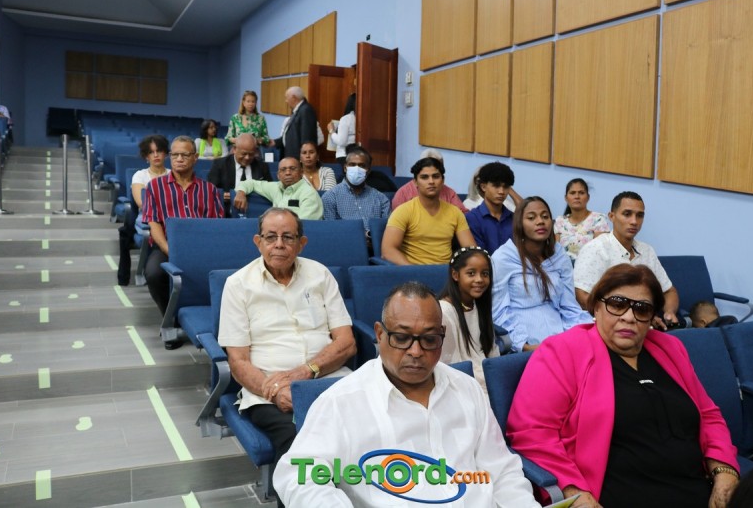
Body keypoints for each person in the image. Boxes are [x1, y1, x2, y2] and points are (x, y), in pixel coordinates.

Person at [273, 282, 541, 508]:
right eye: (401, 338)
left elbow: (503, 472)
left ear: (442, 336)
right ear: (380, 334)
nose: (416, 351)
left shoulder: (467, 389)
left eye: (429, 339)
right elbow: (298, 477)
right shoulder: (342, 402)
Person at [507, 263, 740, 508]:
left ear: (652, 317)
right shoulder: (562, 352)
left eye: (642, 309)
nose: (629, 317)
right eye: (617, 304)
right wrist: (577, 495)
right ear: (597, 306)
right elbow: (532, 434)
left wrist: (724, 470)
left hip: (699, 492)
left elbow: (708, 414)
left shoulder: (671, 348)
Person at [219, 208, 356, 508]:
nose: (279, 244)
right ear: (258, 242)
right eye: (271, 237)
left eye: (288, 237)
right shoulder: (238, 285)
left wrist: (307, 372)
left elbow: (346, 343)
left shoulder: (320, 275)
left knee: (367, 427)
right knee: (299, 442)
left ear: (301, 243)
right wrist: (275, 390)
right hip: (268, 390)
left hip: (329, 380)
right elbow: (238, 361)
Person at [140, 136, 225, 346]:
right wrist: (169, 250)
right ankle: (170, 321)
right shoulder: (155, 187)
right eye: (175, 154)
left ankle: (211, 320)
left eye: (185, 155)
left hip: (201, 248)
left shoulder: (209, 190)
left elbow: (216, 225)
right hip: (167, 246)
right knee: (153, 273)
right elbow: (153, 223)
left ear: (195, 157)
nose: (179, 159)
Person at [492, 197, 592, 352]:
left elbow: (569, 305)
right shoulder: (503, 258)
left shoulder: (559, 254)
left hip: (559, 335)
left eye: (545, 216)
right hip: (523, 341)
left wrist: (582, 333)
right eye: (531, 218)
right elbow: (499, 312)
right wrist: (524, 346)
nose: (540, 222)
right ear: (519, 224)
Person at [574, 191, 680, 330]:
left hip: (645, 325)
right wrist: (636, 314)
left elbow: (669, 291)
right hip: (608, 326)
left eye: (639, 215)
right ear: (612, 216)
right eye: (627, 214)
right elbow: (582, 296)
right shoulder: (595, 249)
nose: (634, 221)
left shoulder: (647, 251)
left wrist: (669, 312)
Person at [382, 156, 475, 265]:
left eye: (436, 176)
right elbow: (388, 251)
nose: (431, 181)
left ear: (443, 181)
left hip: (446, 272)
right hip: (414, 271)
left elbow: (471, 250)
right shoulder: (403, 211)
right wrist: (413, 270)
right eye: (424, 177)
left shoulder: (455, 212)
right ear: (415, 182)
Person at [439, 247, 499, 392]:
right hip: (461, 381)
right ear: (455, 275)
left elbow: (492, 354)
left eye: (485, 274)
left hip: (486, 373)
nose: (479, 279)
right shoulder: (444, 311)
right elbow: (449, 365)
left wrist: (498, 375)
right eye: (471, 273)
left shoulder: (478, 304)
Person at [117, 134, 170, 286]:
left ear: (165, 153)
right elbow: (141, 203)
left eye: (159, 151)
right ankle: (153, 272)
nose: (156, 155)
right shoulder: (140, 176)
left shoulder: (173, 175)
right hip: (147, 217)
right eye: (151, 152)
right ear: (146, 156)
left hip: (170, 217)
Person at [321, 145, 390, 239]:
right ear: (345, 168)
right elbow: (330, 231)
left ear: (368, 170)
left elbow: (388, 230)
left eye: (362, 166)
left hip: (375, 244)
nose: (357, 169)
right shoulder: (330, 197)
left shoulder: (381, 199)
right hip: (345, 244)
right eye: (352, 165)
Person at [233, 156, 323, 219]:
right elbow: (251, 183)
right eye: (283, 170)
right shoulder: (276, 187)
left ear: (301, 172)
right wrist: (241, 192)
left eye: (292, 169)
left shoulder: (309, 194)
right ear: (278, 175)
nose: (287, 173)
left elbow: (304, 225)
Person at [207, 133, 271, 216]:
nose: (247, 157)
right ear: (234, 149)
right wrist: (231, 195)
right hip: (227, 213)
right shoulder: (220, 165)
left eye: (251, 154)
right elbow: (210, 191)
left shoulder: (262, 167)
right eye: (244, 154)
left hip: (255, 213)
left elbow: (269, 191)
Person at [465, 162, 520, 254]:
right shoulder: (472, 218)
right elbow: (478, 255)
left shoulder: (514, 219)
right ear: (483, 187)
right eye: (496, 186)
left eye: (506, 187)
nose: (501, 191)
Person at [391, 149, 468, 213]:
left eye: (435, 175)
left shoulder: (450, 193)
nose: (431, 181)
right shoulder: (403, 194)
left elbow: (462, 215)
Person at [554, 178, 610, 263]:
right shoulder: (560, 221)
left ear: (588, 197)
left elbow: (600, 254)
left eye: (581, 193)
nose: (577, 196)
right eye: (572, 193)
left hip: (589, 267)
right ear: (566, 198)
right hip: (563, 268)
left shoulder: (598, 219)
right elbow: (556, 254)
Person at [274, 86, 318, 159]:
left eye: (287, 98)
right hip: (292, 157)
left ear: (294, 98)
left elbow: (307, 138)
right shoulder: (298, 111)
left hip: (298, 159)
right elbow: (292, 136)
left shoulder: (305, 110)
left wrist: (304, 157)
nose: (286, 101)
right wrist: (275, 142)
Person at [327, 92, 356, 166]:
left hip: (344, 155)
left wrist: (331, 131)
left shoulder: (346, 119)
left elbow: (341, 141)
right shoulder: (361, 119)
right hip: (357, 155)